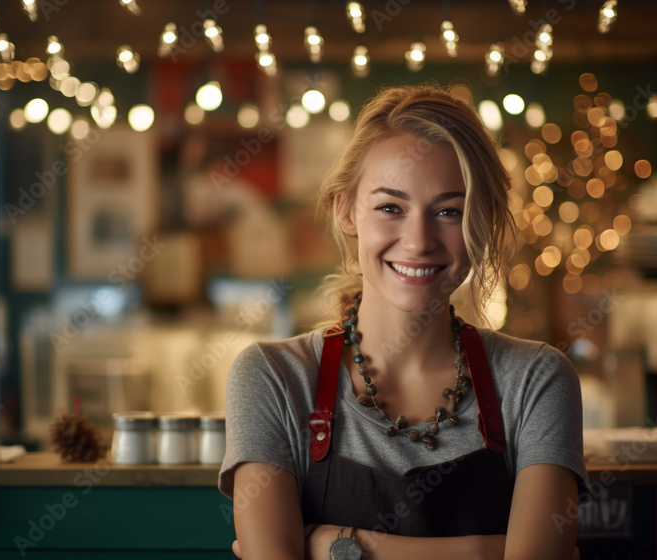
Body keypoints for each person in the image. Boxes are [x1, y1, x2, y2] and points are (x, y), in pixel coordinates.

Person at [219, 85, 586, 560]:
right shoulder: (272, 378)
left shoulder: (537, 380)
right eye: (390, 207)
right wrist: (482, 551)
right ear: (345, 210)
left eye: (449, 211)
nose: (417, 241)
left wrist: (347, 547)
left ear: (483, 221)